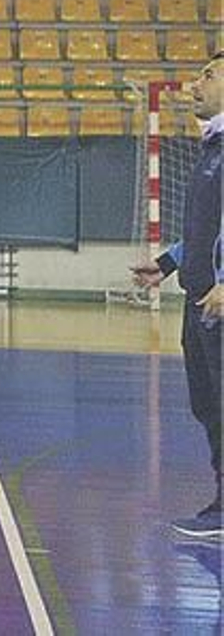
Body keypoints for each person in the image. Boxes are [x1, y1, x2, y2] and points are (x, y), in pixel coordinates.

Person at [132, 50, 224, 541]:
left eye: (208, 76)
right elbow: (206, 228)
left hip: (220, 301)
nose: (195, 84)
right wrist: (167, 264)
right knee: (209, 405)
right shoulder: (213, 149)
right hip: (199, 301)